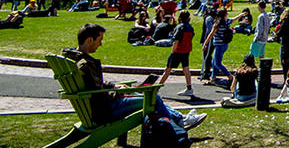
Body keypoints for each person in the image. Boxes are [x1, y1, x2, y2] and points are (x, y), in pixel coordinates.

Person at [62, 23, 206, 130]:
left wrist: (114, 86)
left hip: (97, 107)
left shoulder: (74, 59)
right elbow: (96, 91)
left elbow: (94, 85)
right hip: (105, 110)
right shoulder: (84, 64)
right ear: (89, 40)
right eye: (99, 40)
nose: (100, 44)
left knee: (141, 94)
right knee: (152, 98)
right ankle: (180, 122)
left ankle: (181, 117)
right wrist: (117, 93)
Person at [159, 11, 195, 96]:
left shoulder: (179, 27)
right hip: (186, 50)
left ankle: (157, 87)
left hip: (178, 50)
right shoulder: (190, 27)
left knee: (168, 70)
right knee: (186, 68)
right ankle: (189, 88)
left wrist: (173, 51)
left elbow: (176, 40)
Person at [202, 8, 234, 85]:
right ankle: (213, 78)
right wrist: (241, 15)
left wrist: (205, 43)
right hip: (224, 44)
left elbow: (211, 34)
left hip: (218, 45)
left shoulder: (217, 24)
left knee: (217, 63)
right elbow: (234, 19)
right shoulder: (227, 22)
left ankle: (230, 76)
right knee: (214, 62)